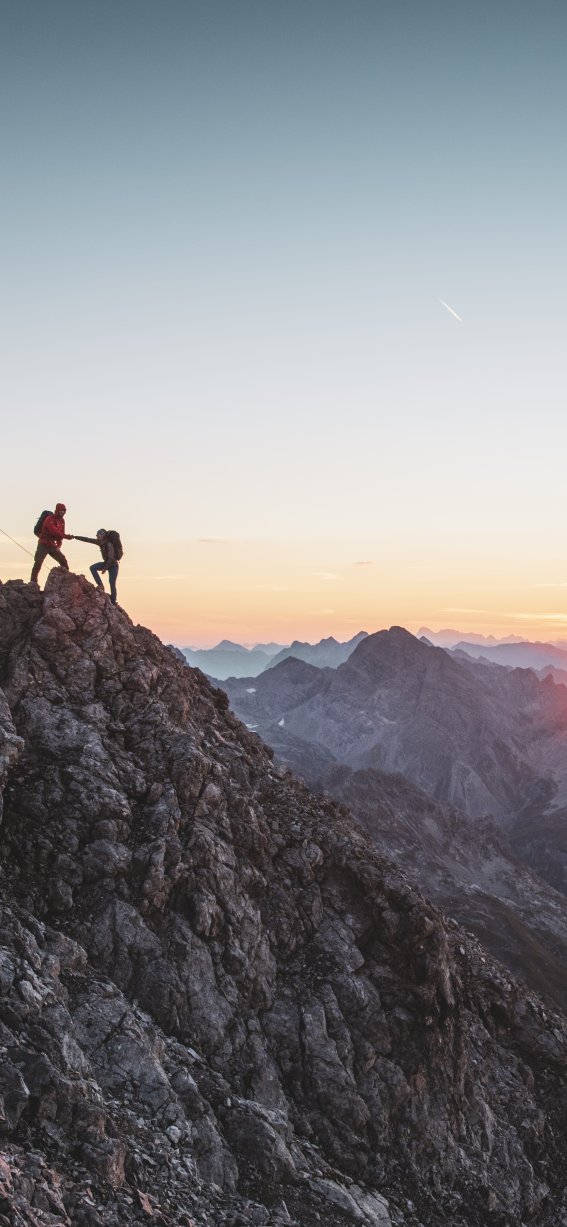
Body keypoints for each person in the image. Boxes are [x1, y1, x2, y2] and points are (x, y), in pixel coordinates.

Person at [74, 529, 120, 605]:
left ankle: (113, 601)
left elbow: (111, 558)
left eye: (97, 535)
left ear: (102, 535)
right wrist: (75, 537)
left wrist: (105, 568)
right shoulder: (100, 542)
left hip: (113, 566)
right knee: (92, 568)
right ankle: (100, 585)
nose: (96, 537)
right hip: (106, 564)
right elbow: (88, 540)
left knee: (112, 583)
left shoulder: (109, 544)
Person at [30, 503, 74, 583]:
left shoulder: (62, 521)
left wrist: (58, 546)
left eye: (64, 511)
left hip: (52, 545)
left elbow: (60, 535)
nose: (62, 513)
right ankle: (33, 582)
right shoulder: (49, 519)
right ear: (57, 510)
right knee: (38, 562)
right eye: (61, 511)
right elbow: (55, 532)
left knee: (63, 560)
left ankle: (66, 580)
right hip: (43, 543)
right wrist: (67, 536)